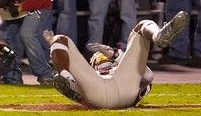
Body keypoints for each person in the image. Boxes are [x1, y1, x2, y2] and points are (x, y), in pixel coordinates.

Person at [47, 11, 190, 109]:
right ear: (92, 65)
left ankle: (158, 36)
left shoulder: (122, 67)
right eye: (97, 58)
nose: (101, 57)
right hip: (99, 91)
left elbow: (147, 77)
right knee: (59, 40)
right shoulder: (92, 75)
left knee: (143, 25)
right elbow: (148, 77)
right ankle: (67, 78)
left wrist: (115, 54)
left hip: (122, 87)